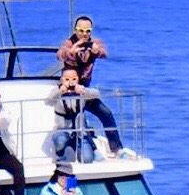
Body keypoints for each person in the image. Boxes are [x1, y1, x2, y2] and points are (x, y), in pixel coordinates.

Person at [55, 15, 135, 159]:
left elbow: (104, 53)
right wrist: (71, 52)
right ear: (75, 30)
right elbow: (60, 55)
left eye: (87, 31)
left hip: (85, 88)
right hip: (70, 90)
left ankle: (117, 148)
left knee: (106, 113)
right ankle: (94, 151)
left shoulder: (94, 43)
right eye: (81, 30)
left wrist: (96, 50)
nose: (84, 34)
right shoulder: (69, 43)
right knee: (80, 118)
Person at [51, 69, 101, 163]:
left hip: (80, 132)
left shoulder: (81, 90)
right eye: (67, 79)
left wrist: (84, 91)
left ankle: (83, 150)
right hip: (63, 130)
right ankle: (61, 154)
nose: (70, 82)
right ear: (62, 79)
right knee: (60, 141)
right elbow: (48, 101)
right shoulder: (56, 90)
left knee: (87, 159)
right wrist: (60, 92)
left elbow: (97, 94)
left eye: (74, 79)